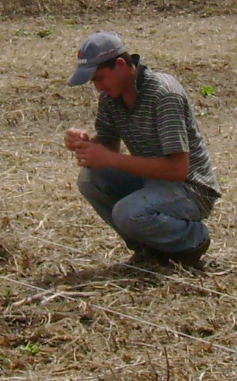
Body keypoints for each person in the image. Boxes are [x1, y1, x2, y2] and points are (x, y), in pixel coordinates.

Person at [62, 31, 220, 266]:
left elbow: (178, 169)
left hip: (190, 190)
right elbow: (109, 144)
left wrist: (109, 159)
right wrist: (87, 144)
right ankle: (148, 249)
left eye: (100, 78)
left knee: (128, 212)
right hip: (152, 180)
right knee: (90, 179)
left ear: (121, 65)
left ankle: (193, 240)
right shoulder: (110, 98)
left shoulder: (164, 94)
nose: (98, 87)